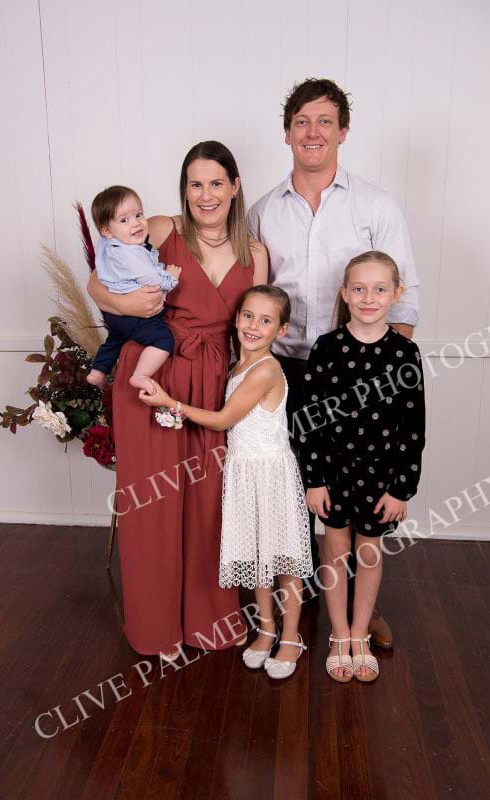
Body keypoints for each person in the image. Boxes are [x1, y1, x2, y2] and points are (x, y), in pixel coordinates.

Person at [247, 77, 420, 649]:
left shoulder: (376, 204)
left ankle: (360, 611)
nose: (313, 132)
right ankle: (299, 600)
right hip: (285, 367)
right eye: (302, 122)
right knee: (296, 485)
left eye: (325, 121)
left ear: (343, 131)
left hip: (359, 371)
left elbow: (405, 298)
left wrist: (384, 376)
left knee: (360, 484)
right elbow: (251, 293)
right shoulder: (263, 211)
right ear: (287, 134)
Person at [87, 141, 268, 658]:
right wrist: (127, 304)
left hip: (212, 384)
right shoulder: (163, 230)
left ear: (235, 187)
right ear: (184, 191)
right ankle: (157, 627)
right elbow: (97, 282)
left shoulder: (255, 253)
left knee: (210, 502)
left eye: (216, 183)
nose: (206, 195)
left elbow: (256, 333)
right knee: (154, 504)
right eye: (195, 184)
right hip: (151, 377)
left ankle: (209, 620)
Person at [140, 285, 313, 679]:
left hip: (269, 473)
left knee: (283, 558)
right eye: (248, 316)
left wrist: (170, 402)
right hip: (242, 472)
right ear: (236, 319)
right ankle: (266, 630)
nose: (253, 326)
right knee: (257, 557)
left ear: (281, 330)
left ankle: (291, 636)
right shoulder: (237, 365)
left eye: (266, 321)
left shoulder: (266, 369)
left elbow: (222, 420)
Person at [301, 251, 425, 681]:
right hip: (334, 474)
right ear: (344, 293)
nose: (368, 298)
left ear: (396, 294)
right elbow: (309, 421)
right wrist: (314, 480)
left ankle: (360, 634)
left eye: (379, 289)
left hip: (381, 476)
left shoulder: (405, 353)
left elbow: (413, 428)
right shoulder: (326, 348)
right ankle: (339, 635)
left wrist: (401, 488)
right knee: (335, 550)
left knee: (369, 553)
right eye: (359, 288)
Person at [86, 185, 181, 393]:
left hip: (115, 315)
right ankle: (141, 374)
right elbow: (154, 280)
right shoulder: (131, 254)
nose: (136, 223)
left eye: (139, 215)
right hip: (136, 315)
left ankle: (97, 372)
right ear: (107, 230)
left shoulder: (109, 245)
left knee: (115, 339)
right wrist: (171, 277)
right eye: (124, 220)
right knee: (163, 340)